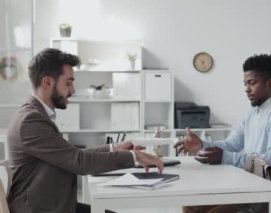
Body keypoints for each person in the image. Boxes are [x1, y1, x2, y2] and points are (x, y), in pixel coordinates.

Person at [6, 48, 164, 213]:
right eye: (68, 83)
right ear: (47, 82)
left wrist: (114, 148)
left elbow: (72, 155)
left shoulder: (35, 114)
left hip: (52, 205)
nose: (73, 90)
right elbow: (79, 161)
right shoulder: (31, 121)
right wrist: (134, 156)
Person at [174, 54, 271, 213]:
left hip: (266, 196)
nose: (246, 89)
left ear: (270, 83)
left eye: (252, 83)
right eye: (245, 84)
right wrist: (202, 145)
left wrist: (226, 157)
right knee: (190, 206)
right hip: (249, 188)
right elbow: (232, 144)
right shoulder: (253, 113)